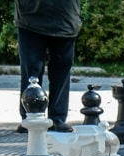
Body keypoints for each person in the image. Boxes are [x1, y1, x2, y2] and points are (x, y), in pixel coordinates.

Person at [15, 0, 82, 133]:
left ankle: (57, 118)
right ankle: (30, 116)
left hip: (65, 17)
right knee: (31, 70)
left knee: (61, 70)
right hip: (30, 17)